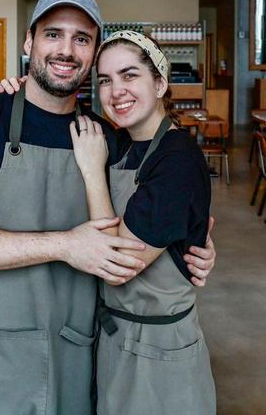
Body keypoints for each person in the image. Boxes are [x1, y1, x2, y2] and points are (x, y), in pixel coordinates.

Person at [0, 0, 216, 415]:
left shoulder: (107, 137)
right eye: (53, 34)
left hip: (73, 349)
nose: (66, 50)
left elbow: (146, 222)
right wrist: (64, 244)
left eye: (81, 38)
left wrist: (190, 245)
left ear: (93, 51)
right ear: (29, 42)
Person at [70, 30, 215, 415]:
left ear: (161, 82)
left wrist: (91, 171)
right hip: (115, 335)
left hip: (158, 348)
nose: (116, 90)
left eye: (129, 75)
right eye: (105, 80)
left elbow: (119, 264)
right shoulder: (122, 144)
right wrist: (16, 88)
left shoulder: (178, 160)